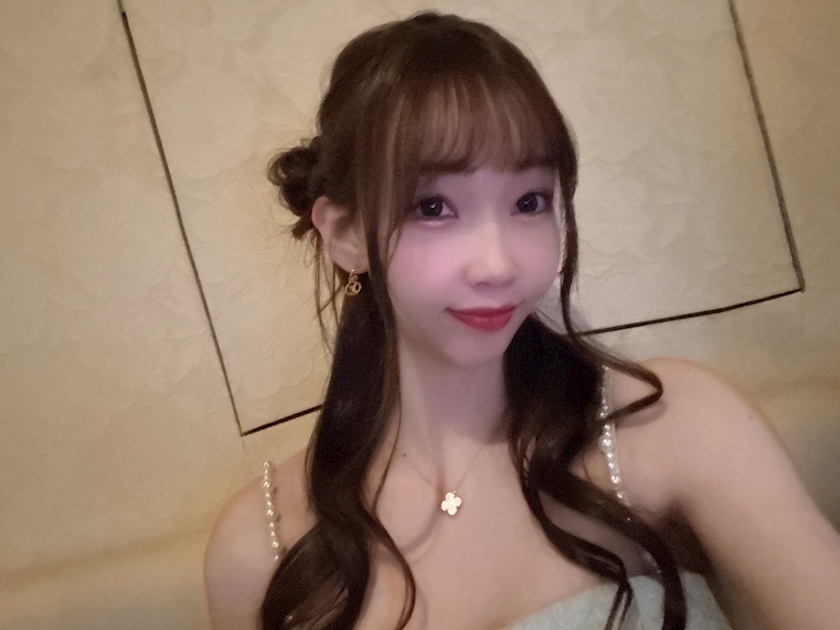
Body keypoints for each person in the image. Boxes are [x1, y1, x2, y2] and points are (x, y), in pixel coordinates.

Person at [203, 12, 840, 630]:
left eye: (529, 201)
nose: (499, 264)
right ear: (344, 234)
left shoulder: (669, 423)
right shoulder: (258, 547)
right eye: (433, 207)